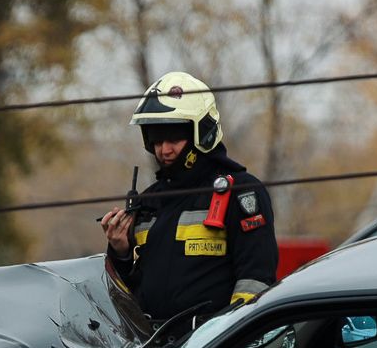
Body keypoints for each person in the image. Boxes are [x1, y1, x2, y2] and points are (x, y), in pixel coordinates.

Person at [101, 71, 278, 320]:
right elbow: (128, 290)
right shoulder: (148, 202)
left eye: (174, 138)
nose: (164, 150)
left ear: (202, 132)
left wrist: (225, 339)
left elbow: (256, 282)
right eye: (156, 139)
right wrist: (120, 252)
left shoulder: (241, 194)